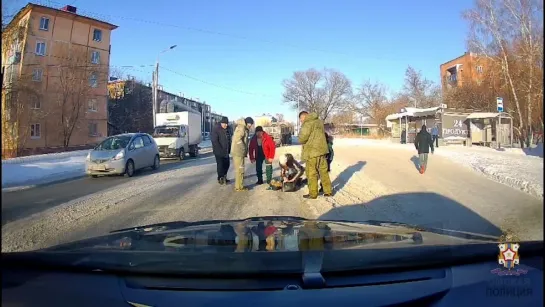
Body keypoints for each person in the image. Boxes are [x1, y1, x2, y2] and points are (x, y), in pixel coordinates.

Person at [298, 111, 333, 199]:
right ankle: (328, 191)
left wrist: (300, 136)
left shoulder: (307, 123)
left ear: (303, 117)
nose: (301, 121)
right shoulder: (319, 122)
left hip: (312, 152)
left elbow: (302, 139)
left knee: (311, 173)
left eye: (301, 119)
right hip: (322, 151)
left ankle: (313, 194)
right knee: (323, 172)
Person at [231, 117, 254, 191]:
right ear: (247, 123)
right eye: (250, 124)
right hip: (238, 152)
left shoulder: (243, 127)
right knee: (239, 170)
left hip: (239, 152)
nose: (251, 126)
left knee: (240, 170)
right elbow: (238, 139)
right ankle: (239, 187)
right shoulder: (242, 128)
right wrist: (243, 148)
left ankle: (239, 186)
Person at [211, 116, 231, 185]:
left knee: (227, 164)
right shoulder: (216, 129)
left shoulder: (228, 129)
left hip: (226, 151)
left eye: (227, 123)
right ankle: (220, 178)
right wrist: (220, 150)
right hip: (218, 151)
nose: (226, 125)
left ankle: (224, 176)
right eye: (224, 123)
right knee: (220, 165)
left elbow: (229, 140)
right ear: (221, 123)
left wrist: (229, 149)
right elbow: (214, 141)